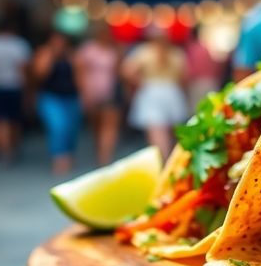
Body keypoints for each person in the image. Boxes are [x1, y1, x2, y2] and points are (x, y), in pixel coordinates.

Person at [122, 27, 187, 159]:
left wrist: (139, 82)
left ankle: (161, 163)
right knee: (171, 135)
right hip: (172, 92)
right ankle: (169, 161)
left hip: (151, 92)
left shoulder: (144, 52)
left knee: (157, 133)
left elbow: (126, 71)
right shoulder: (176, 53)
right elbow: (185, 77)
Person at [0, 16, 31, 164]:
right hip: (14, 86)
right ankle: (11, 146)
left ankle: (3, 149)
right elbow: (23, 69)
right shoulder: (19, 45)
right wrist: (27, 89)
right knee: (13, 120)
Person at [33, 30, 82, 175]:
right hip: (50, 97)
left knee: (71, 128)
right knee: (58, 126)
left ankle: (68, 153)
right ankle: (59, 158)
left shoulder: (71, 55)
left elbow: (79, 75)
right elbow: (39, 74)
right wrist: (51, 56)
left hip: (71, 97)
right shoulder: (45, 53)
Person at [76, 25, 122, 166]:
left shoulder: (115, 50)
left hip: (111, 92)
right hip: (92, 92)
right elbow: (80, 71)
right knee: (96, 125)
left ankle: (104, 157)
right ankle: (100, 151)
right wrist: (84, 92)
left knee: (109, 124)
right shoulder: (88, 49)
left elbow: (118, 71)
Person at [183, 25, 222, 110]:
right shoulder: (206, 47)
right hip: (210, 82)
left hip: (197, 84)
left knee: (196, 110)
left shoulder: (191, 49)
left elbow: (188, 69)